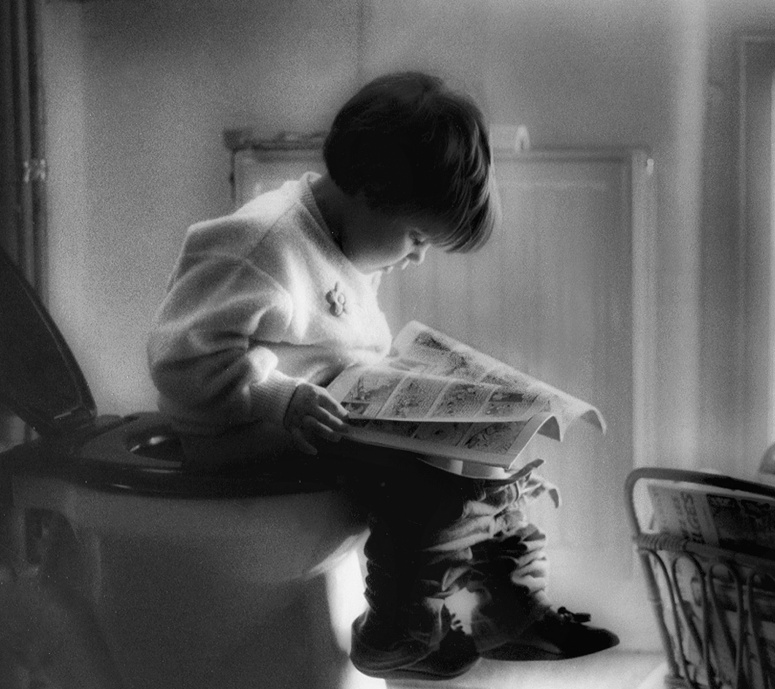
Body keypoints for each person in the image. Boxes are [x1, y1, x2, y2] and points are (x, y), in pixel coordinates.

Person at [147, 71, 618, 681]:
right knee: (427, 476)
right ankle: (399, 628)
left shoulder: (344, 233)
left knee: (483, 446)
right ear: (370, 191)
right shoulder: (260, 243)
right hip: (239, 435)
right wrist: (277, 398)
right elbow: (179, 358)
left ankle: (510, 607)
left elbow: (331, 345)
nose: (417, 255)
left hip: (316, 416)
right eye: (417, 237)